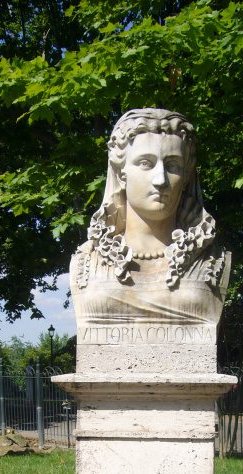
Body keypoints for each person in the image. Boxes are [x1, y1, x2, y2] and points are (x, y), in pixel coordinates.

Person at [70, 108, 230, 328]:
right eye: (146, 163)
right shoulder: (86, 260)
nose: (160, 179)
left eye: (173, 165)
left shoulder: (211, 260)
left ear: (186, 176)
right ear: (121, 172)